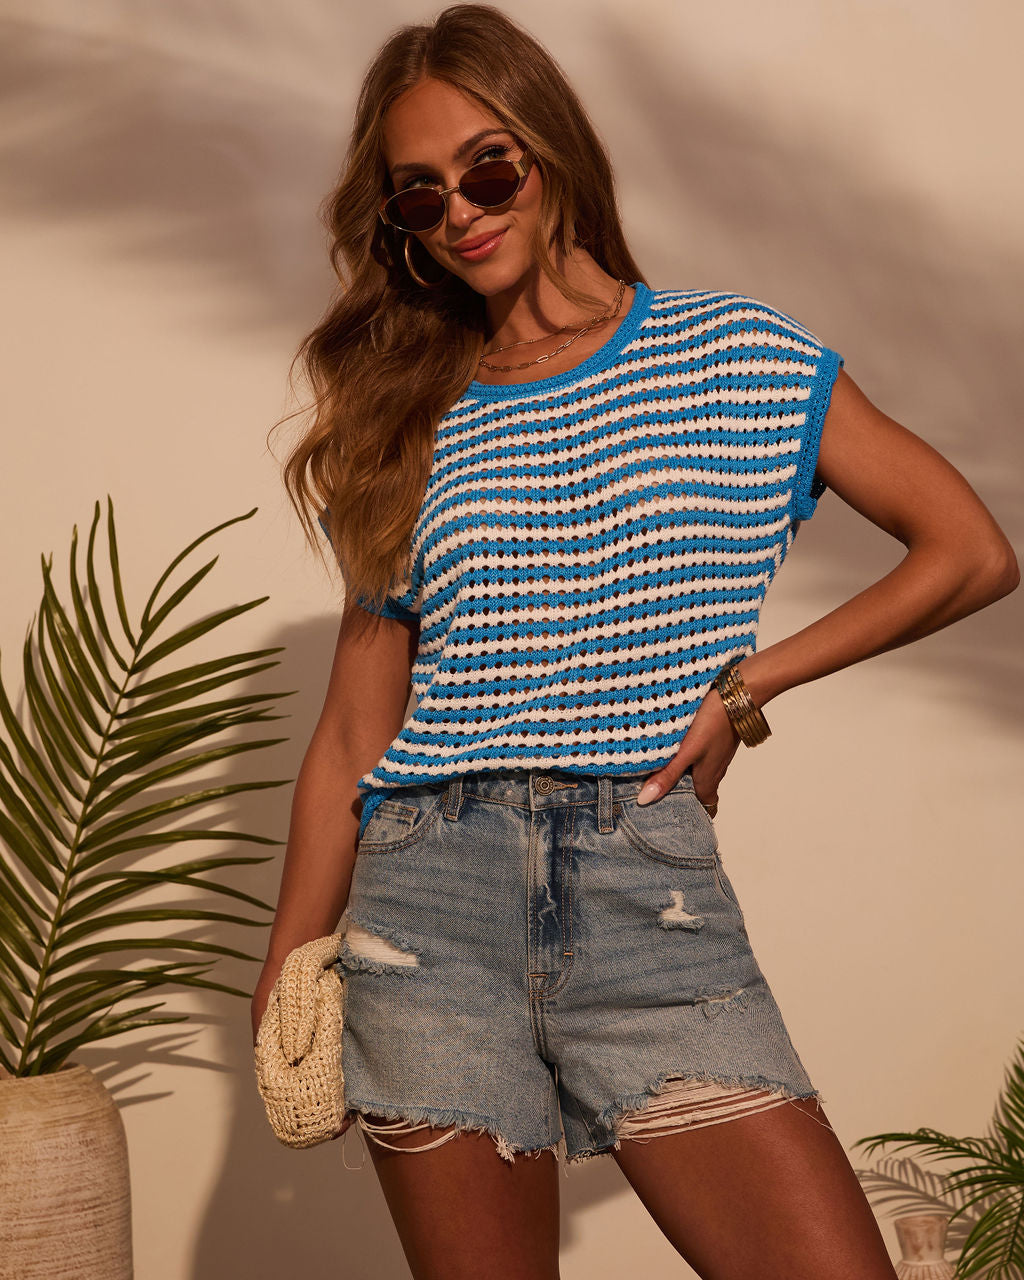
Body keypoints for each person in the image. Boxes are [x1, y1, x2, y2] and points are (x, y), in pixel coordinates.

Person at [252, 6, 1018, 1277]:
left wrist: (747, 685)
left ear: (550, 149)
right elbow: (351, 730)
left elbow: (970, 551)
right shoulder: (409, 417)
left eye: (488, 169)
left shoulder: (734, 355)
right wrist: (288, 957)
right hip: (425, 903)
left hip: (640, 886)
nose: (462, 212)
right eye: (421, 196)